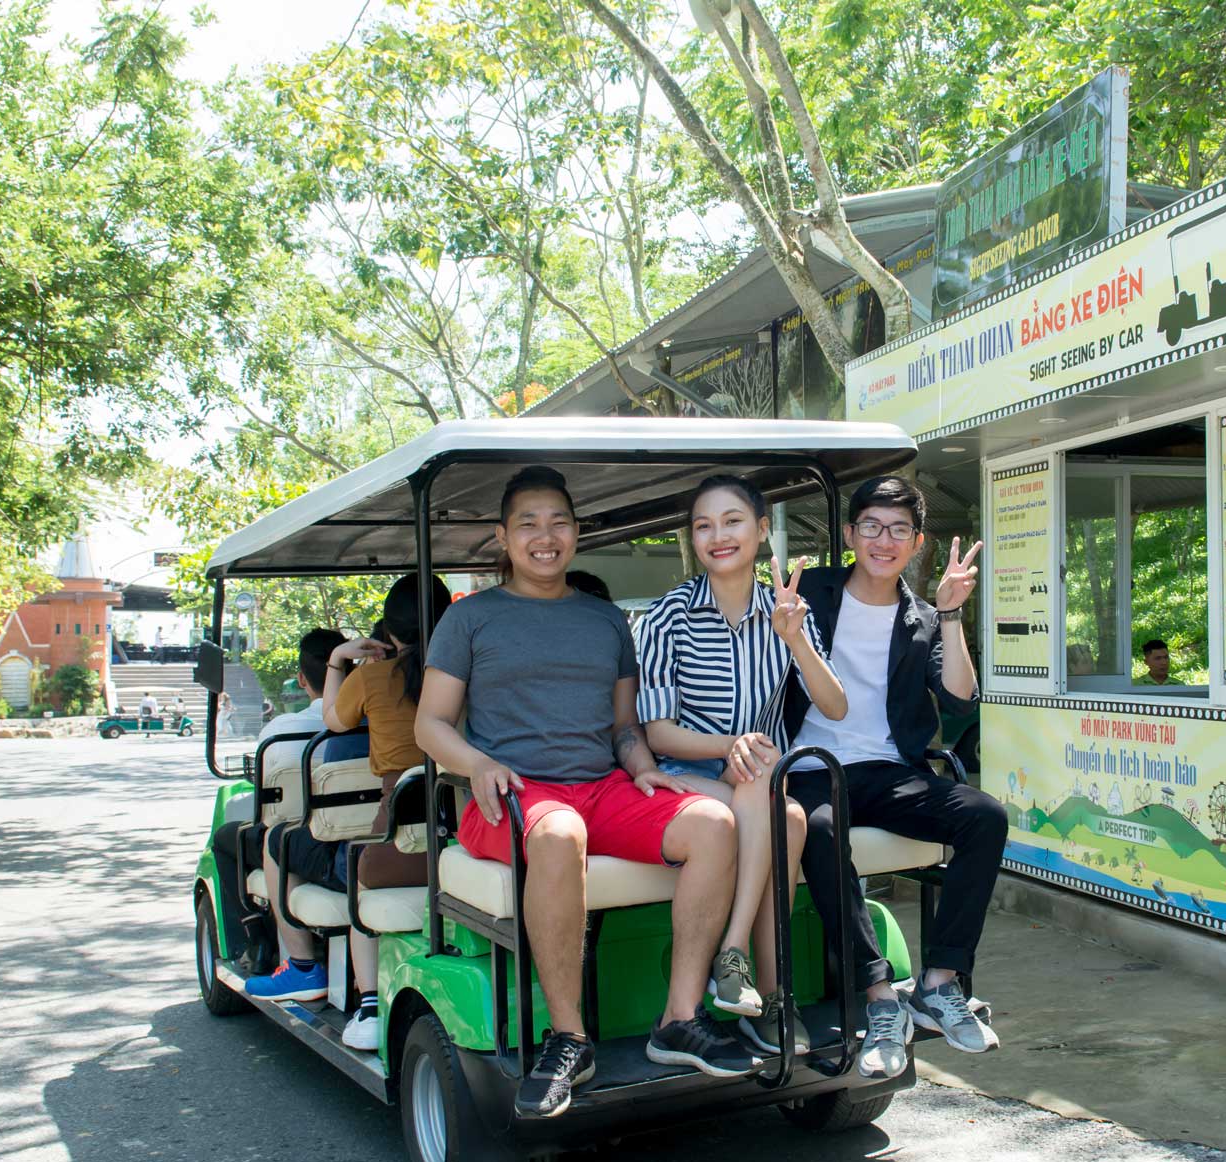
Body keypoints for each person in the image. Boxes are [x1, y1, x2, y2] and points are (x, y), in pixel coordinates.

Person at [416, 465, 754, 1118]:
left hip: (600, 787)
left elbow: (625, 726)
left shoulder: (605, 621)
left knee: (714, 820)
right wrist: (477, 762)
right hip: (511, 794)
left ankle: (678, 1017)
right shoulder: (471, 619)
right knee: (559, 832)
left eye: (559, 522)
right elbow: (429, 723)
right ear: (503, 536)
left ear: (576, 532)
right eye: (528, 524)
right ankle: (570, 1036)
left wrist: (643, 763)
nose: (546, 537)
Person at [785, 475, 1008, 1079]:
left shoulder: (922, 617)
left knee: (984, 815)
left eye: (899, 530)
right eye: (873, 527)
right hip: (811, 768)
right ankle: (880, 997)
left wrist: (952, 612)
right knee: (823, 831)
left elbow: (960, 697)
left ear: (917, 543)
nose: (885, 541)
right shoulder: (812, 593)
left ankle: (938, 983)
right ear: (852, 533)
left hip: (888, 771)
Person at [634, 475, 848, 1055]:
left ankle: (734, 960)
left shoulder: (786, 614)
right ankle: (772, 996)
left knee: (773, 794)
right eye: (704, 525)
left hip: (757, 779)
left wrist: (796, 640)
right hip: (687, 778)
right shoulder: (665, 618)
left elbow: (836, 704)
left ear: (759, 531)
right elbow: (657, 730)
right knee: (789, 815)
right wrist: (729, 743)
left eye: (732, 521)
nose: (718, 535)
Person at [254, 577, 450, 1049]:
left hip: (399, 845)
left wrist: (340, 659)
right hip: (462, 832)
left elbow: (334, 720)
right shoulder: (467, 670)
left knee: (300, 847)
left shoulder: (372, 678)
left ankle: (351, 993)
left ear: (389, 632)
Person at [212, 628, 347, 976]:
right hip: (357, 836)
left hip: (309, 842)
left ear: (302, 679)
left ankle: (257, 940)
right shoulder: (373, 723)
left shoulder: (280, 731)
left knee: (230, 837)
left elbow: (266, 800)